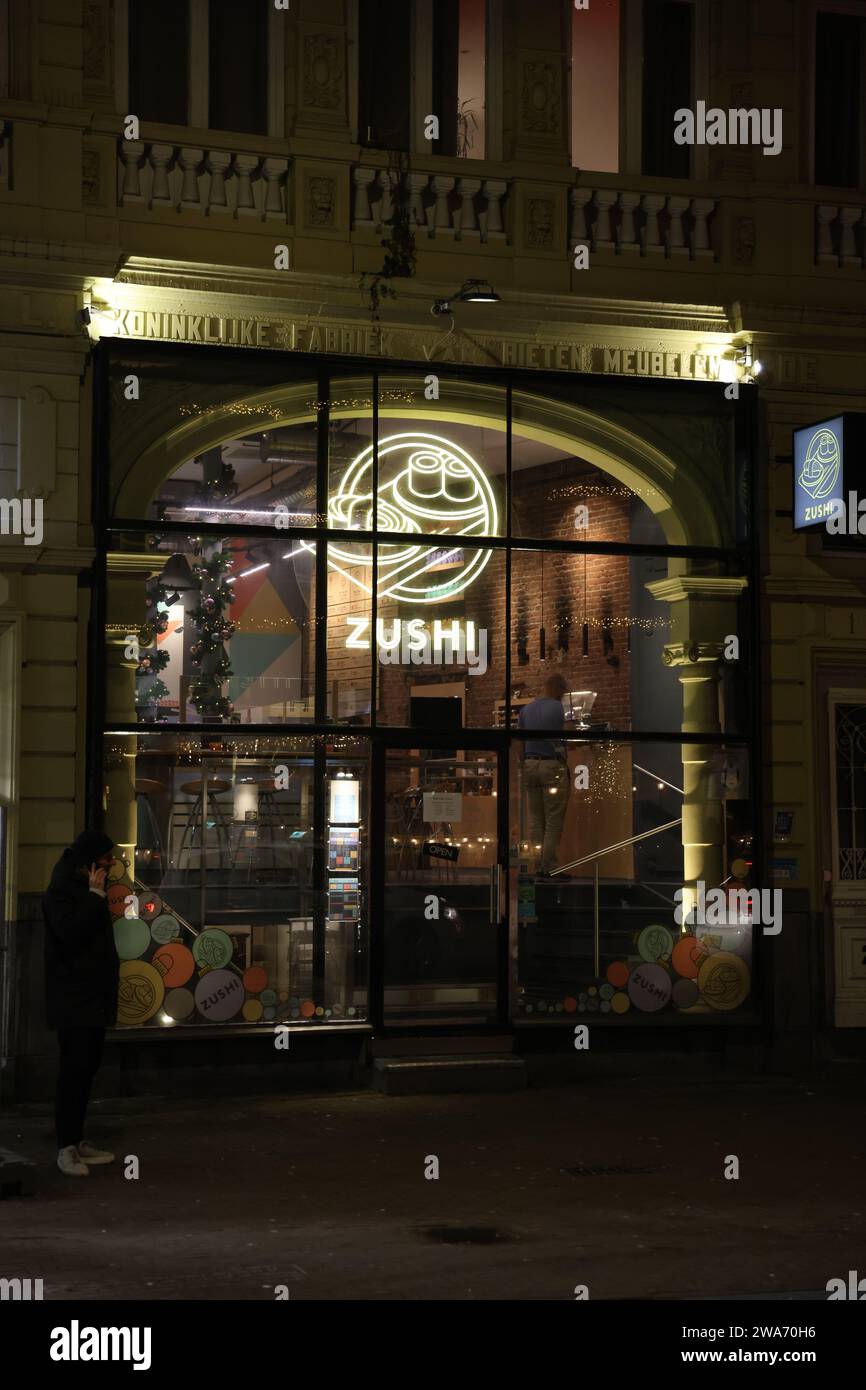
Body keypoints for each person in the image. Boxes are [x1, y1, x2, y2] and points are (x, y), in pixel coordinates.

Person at [43, 830, 119, 1177]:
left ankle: (77, 1139)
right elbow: (69, 934)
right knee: (73, 1072)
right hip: (74, 998)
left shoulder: (85, 887)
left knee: (86, 1069)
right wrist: (93, 897)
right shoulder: (63, 889)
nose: (111, 864)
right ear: (90, 861)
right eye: (105, 858)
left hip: (91, 997)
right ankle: (66, 1147)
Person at [519, 672, 571, 876]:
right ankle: (548, 867)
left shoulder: (526, 709)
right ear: (559, 688)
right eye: (563, 692)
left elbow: (519, 742)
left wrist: (523, 763)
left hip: (530, 765)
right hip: (551, 766)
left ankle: (536, 864)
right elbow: (566, 734)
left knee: (535, 820)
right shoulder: (558, 708)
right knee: (553, 820)